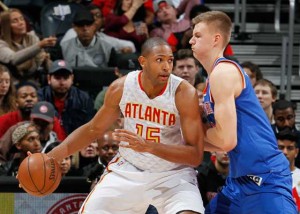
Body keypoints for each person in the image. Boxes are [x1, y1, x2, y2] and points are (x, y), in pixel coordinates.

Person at [24, 37, 206, 213]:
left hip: (173, 173)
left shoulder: (183, 93)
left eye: (170, 60)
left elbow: (195, 156)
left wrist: (148, 146)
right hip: (129, 169)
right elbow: (93, 129)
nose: (167, 67)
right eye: (159, 60)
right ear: (143, 61)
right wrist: (50, 158)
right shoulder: (122, 88)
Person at [189, 11, 297, 213]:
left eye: (197, 35)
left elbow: (226, 141)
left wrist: (187, 134)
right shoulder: (213, 80)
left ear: (216, 39)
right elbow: (217, 141)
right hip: (238, 181)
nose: (190, 40)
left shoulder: (224, 72)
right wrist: (182, 140)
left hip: (264, 176)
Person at [38, 59, 95, 135]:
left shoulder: (84, 98)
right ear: (49, 79)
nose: (62, 82)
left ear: (72, 79)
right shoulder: (40, 97)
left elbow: (90, 126)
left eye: (65, 78)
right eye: (57, 78)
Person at [0, 8, 57, 83]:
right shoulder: (1, 44)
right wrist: (40, 45)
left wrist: (46, 61)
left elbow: (41, 65)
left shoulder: (32, 38)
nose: (21, 23)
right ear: (6, 26)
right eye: (15, 21)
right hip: (10, 85)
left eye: (21, 19)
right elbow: (13, 59)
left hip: (32, 82)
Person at [272, 99, 300, 167]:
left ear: (294, 116)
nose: (286, 123)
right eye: (281, 119)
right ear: (274, 118)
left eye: (289, 118)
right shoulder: (266, 136)